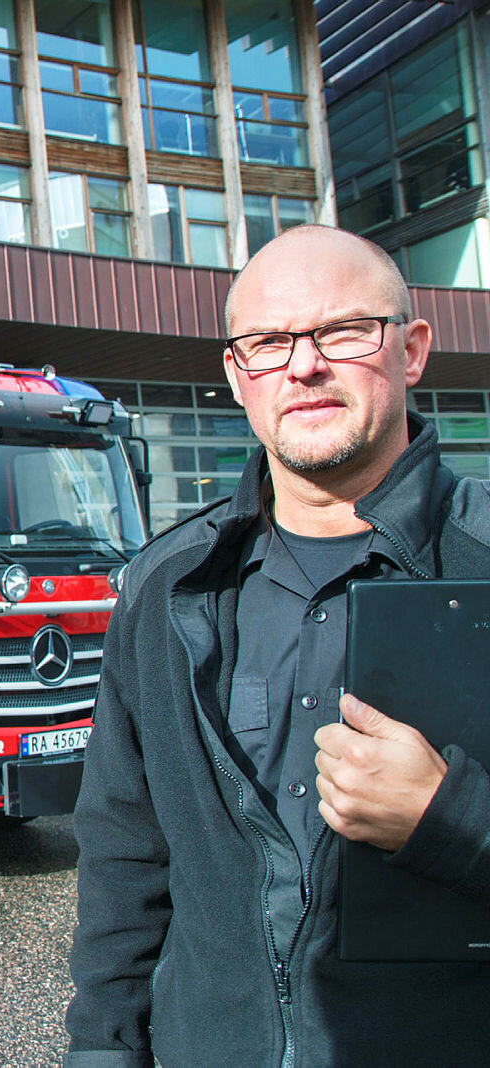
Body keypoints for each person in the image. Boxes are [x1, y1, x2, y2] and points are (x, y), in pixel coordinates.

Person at [66, 224, 490, 1066]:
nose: (303, 366)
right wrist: (102, 1052)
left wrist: (453, 820)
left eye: (342, 332)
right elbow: (123, 854)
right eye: (269, 342)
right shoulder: (164, 586)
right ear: (237, 375)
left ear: (410, 352)